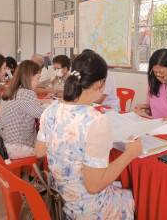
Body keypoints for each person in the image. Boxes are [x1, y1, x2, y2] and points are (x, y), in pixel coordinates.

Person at [35, 51, 142, 219]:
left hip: (60, 199)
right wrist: (129, 154)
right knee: (135, 198)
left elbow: (39, 152)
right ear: (101, 83)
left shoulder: (50, 110)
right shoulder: (96, 121)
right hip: (86, 209)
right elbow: (93, 186)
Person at [0, 60, 48, 159]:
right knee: (50, 147)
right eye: (37, 78)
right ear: (29, 78)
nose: (38, 83)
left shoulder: (11, 90)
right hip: (16, 145)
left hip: (4, 141)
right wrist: (53, 107)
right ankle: (37, 173)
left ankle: (32, 172)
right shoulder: (25, 93)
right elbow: (43, 114)